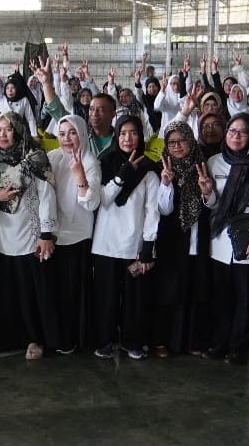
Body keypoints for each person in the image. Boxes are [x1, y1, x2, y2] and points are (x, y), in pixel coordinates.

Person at [201, 112, 249, 365]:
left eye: (242, 132)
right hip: (220, 240)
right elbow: (213, 205)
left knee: (246, 297)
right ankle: (220, 343)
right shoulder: (214, 162)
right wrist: (208, 194)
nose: (236, 136)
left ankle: (239, 348)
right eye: (232, 131)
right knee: (221, 296)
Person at [0, 112, 56, 358]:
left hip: (29, 234)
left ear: (18, 130)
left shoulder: (36, 158)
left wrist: (46, 233)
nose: (2, 134)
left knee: (30, 292)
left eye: (8, 129)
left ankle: (34, 339)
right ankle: (9, 337)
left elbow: (47, 197)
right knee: (7, 289)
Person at [91, 114, 160, 360]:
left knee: (135, 298)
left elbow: (152, 211)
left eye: (133, 133)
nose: (127, 138)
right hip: (105, 244)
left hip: (134, 245)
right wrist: (121, 175)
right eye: (122, 133)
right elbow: (103, 200)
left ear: (141, 136)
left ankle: (132, 340)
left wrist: (148, 247)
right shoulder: (105, 163)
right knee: (106, 296)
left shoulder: (150, 169)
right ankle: (106, 339)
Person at [152, 121, 212, 358]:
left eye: (182, 141)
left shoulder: (204, 166)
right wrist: (166, 183)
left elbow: (212, 206)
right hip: (172, 239)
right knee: (170, 290)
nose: (177, 146)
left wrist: (207, 191)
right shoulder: (161, 168)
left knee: (194, 289)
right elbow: (163, 210)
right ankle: (164, 340)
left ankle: (191, 339)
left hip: (198, 237)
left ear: (191, 140)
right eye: (171, 142)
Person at [45, 115, 101, 355]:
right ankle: (60, 337)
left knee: (74, 292)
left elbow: (91, 203)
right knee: (57, 291)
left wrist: (79, 175)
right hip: (54, 234)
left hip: (77, 236)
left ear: (82, 134)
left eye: (72, 133)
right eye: (62, 133)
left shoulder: (90, 161)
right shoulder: (53, 157)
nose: (67, 139)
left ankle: (76, 337)